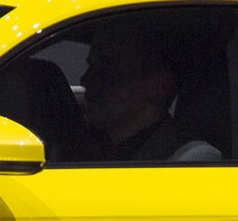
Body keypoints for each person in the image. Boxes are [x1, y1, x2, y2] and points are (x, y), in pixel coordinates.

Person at [78, 18, 220, 163]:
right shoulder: (92, 149)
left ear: (158, 83)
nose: (85, 79)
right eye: (91, 65)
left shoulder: (182, 160)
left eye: (107, 65)